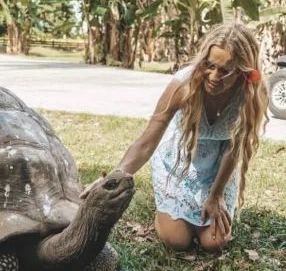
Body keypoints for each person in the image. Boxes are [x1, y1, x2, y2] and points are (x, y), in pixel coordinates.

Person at [85, 22, 268, 252]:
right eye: (209, 65)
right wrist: (114, 178)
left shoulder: (249, 94)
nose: (213, 75)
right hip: (179, 162)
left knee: (215, 243)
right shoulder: (184, 85)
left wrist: (216, 195)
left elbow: (235, 148)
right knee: (177, 241)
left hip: (217, 170)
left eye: (224, 70)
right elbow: (147, 140)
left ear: (243, 72)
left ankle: (206, 205)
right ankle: (165, 210)